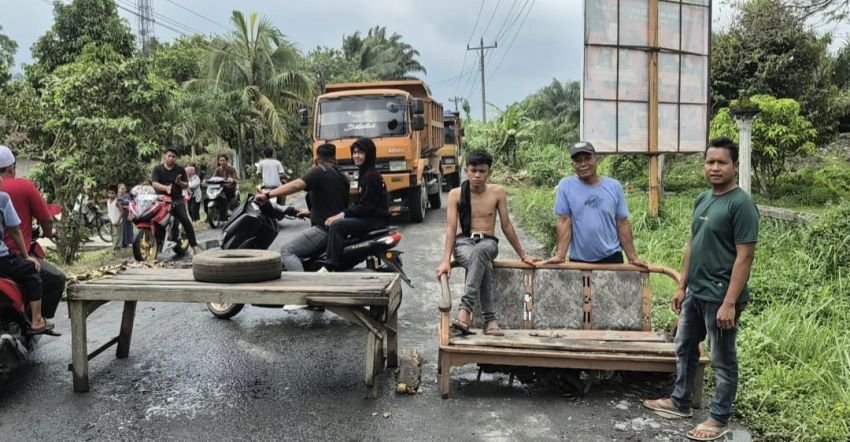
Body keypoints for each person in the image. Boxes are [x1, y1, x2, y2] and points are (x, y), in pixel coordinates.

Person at [643, 137, 759, 441]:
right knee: (684, 346)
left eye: (722, 162)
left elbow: (745, 256)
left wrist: (730, 302)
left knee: (722, 360)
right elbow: (691, 245)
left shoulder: (742, 204)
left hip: (721, 298)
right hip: (696, 293)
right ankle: (680, 401)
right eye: (710, 162)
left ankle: (718, 418)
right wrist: (682, 285)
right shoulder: (703, 199)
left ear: (734, 165)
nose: (715, 167)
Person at [435, 149, 540, 337]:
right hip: (464, 244)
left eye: (482, 171)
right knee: (481, 261)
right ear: (466, 170)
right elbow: (451, 229)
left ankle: (464, 312)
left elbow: (507, 225)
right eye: (473, 170)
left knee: (482, 251)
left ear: (489, 172)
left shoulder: (498, 192)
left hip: (489, 242)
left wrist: (523, 255)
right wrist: (445, 260)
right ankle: (490, 320)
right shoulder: (455, 194)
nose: (477, 175)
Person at [545, 141, 647, 267]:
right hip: (579, 261)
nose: (583, 164)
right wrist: (560, 256)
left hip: (611, 258)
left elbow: (622, 222)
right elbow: (564, 221)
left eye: (587, 159)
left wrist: (633, 257)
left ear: (596, 159)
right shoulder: (566, 186)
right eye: (578, 161)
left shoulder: (614, 186)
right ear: (573, 165)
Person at [255, 143, 349, 272]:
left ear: (317, 160)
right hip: (336, 229)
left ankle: (302, 284)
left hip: (323, 230)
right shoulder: (342, 177)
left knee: (287, 251)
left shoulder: (320, 171)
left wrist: (267, 194)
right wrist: (310, 213)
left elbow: (297, 185)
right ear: (335, 159)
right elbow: (334, 205)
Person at [0, 145, 66, 324]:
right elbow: (44, 220)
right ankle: (36, 319)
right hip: (10, 255)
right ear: (11, 168)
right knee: (56, 279)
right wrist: (47, 233)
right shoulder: (22, 186)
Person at [323, 138, 389, 271]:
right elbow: (359, 204)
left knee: (337, 226)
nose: (356, 156)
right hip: (370, 218)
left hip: (374, 220)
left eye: (360, 153)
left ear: (369, 154)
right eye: (354, 152)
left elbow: (366, 207)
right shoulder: (365, 173)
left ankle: (329, 266)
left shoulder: (371, 176)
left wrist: (342, 215)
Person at [0, 172, 48, 334]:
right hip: (2, 259)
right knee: (32, 271)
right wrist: (26, 256)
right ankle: (37, 320)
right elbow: (14, 230)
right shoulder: (3, 198)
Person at [151, 148, 200, 254]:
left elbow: (186, 185)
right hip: (161, 199)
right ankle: (157, 243)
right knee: (154, 219)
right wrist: (166, 188)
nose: (171, 158)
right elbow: (154, 183)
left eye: (173, 157)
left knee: (185, 219)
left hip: (176, 199)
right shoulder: (157, 169)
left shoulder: (180, 169)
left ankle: (194, 246)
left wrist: (179, 183)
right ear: (165, 156)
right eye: (169, 156)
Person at [106, 184, 122, 251]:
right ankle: (116, 247)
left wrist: (118, 221)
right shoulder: (107, 201)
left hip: (117, 220)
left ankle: (114, 247)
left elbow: (122, 211)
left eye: (112, 193)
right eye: (109, 193)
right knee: (113, 234)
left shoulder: (117, 202)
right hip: (111, 220)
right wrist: (95, 197)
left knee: (117, 234)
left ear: (116, 194)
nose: (111, 195)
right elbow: (98, 201)